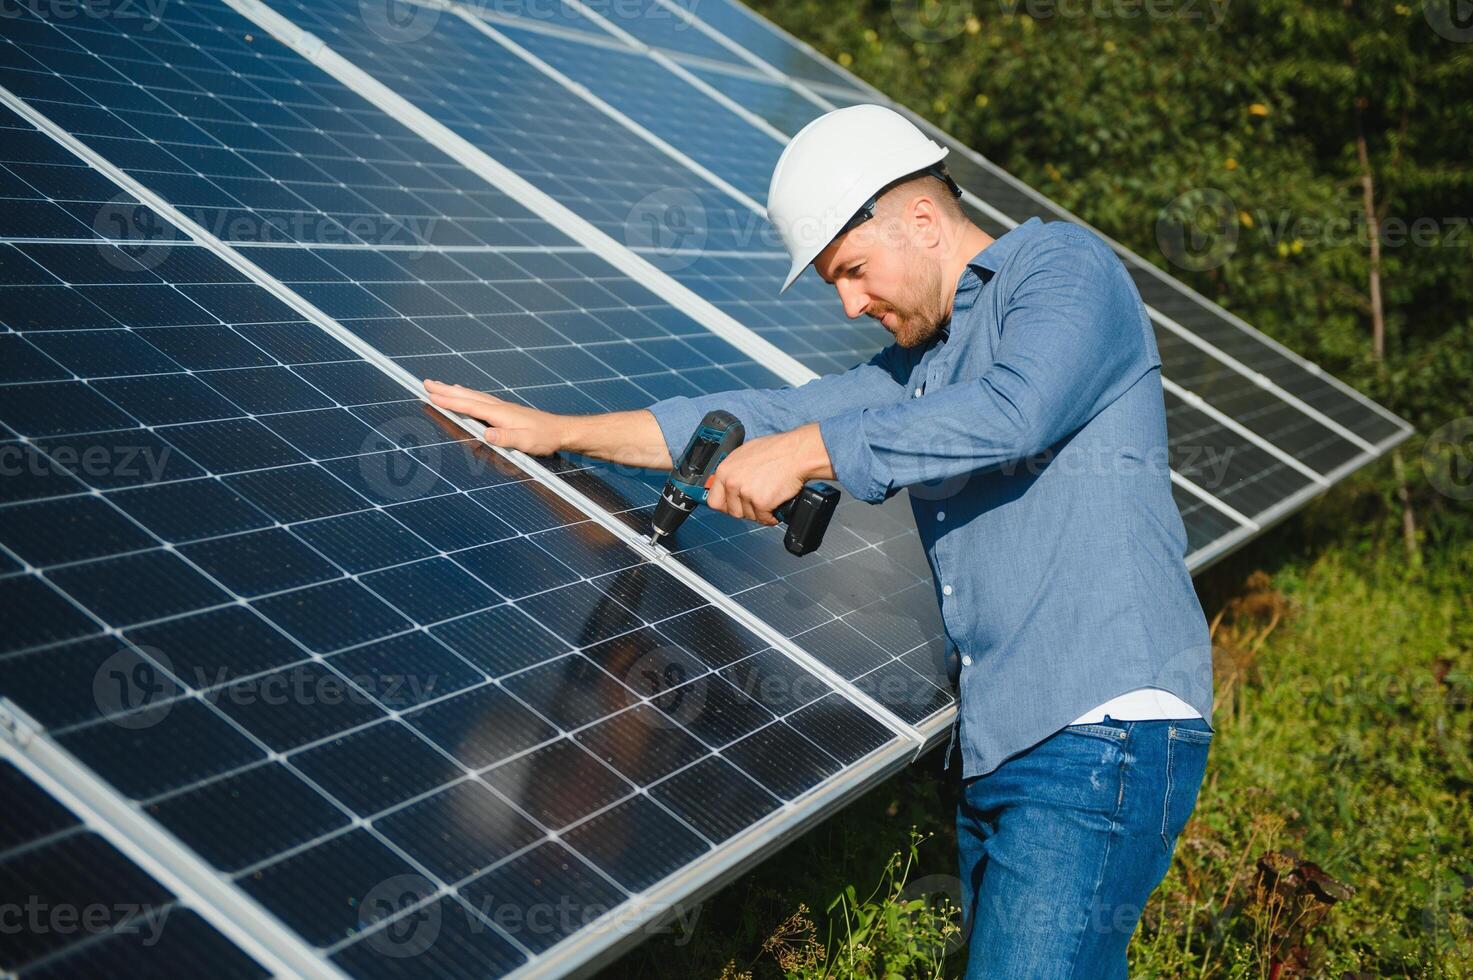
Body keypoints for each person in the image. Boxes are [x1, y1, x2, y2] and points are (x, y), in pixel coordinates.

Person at [424, 104, 1214, 978]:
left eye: (854, 271)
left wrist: (807, 453)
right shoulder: (923, 365)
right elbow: (756, 420)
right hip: (1006, 743)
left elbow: (1011, 413)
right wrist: (558, 429)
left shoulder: (1062, 270)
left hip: (1100, 726)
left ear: (920, 219)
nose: (849, 303)